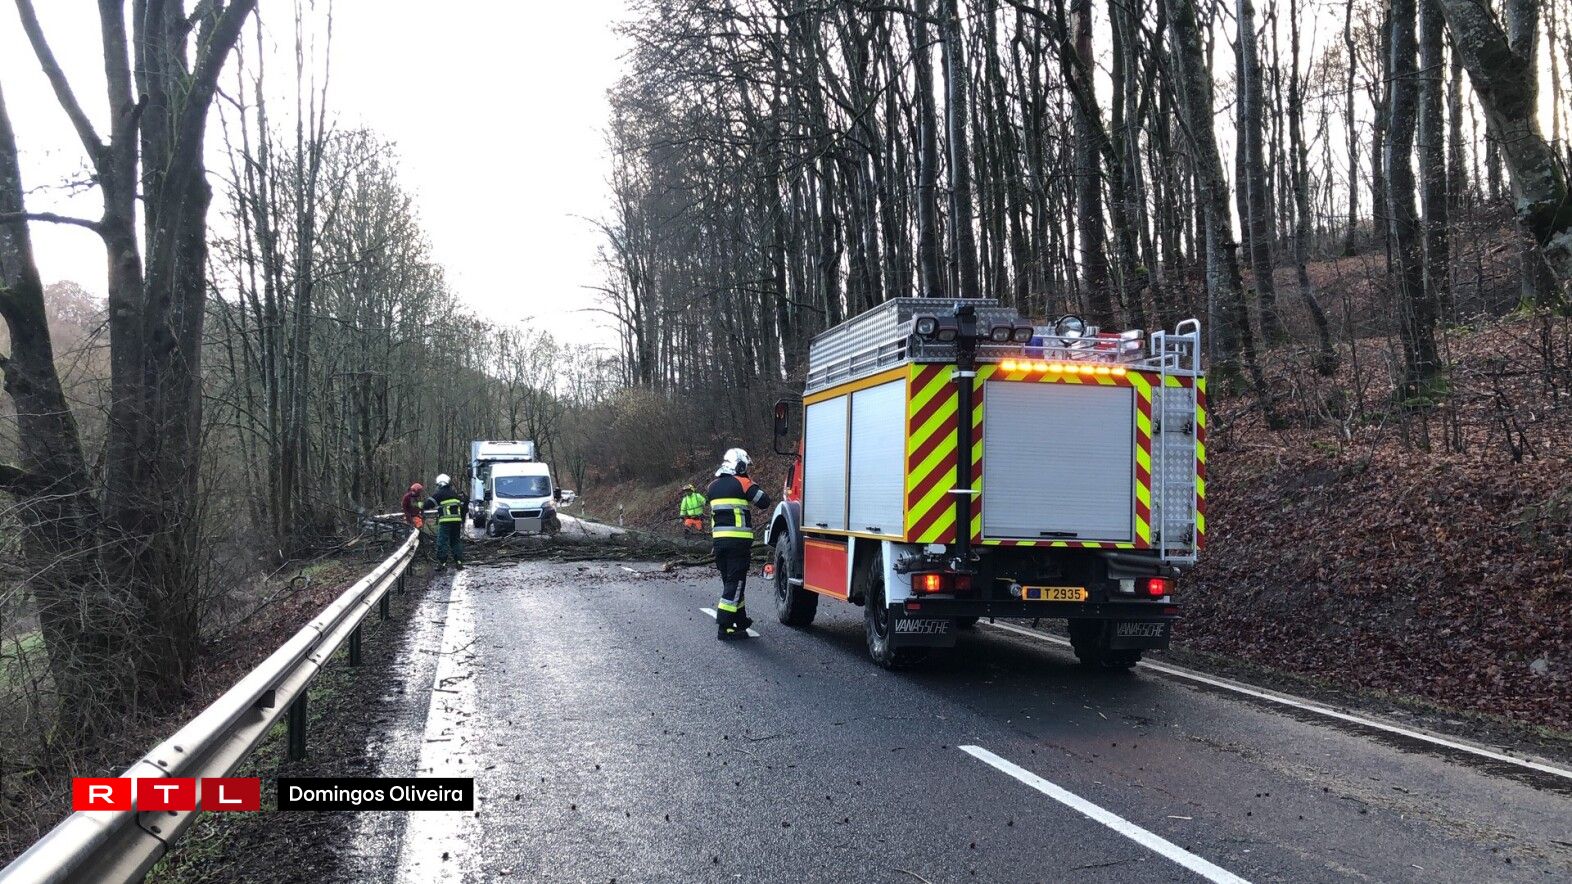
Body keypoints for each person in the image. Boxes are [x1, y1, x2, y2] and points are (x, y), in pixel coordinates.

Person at [706, 448, 771, 640]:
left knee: (731, 582)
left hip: (719, 543)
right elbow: (764, 501)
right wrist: (751, 483)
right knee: (736, 582)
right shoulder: (743, 483)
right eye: (745, 467)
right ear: (739, 465)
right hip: (737, 544)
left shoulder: (712, 486)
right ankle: (724, 625)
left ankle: (740, 621)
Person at [424, 474, 467, 571]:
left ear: (439, 484)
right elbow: (463, 507)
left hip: (445, 522)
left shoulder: (439, 494)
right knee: (455, 541)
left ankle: (442, 564)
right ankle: (459, 562)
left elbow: (427, 504)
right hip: (457, 522)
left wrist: (418, 505)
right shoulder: (454, 494)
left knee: (442, 542)